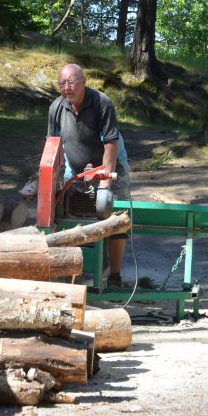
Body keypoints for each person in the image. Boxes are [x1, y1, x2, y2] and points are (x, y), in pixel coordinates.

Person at [48, 63, 131, 288]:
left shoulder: (101, 103)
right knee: (69, 213)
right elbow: (52, 147)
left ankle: (114, 275)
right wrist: (51, 183)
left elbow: (111, 144)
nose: (67, 88)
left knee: (115, 217)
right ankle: (75, 271)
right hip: (75, 171)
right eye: (62, 83)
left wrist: (105, 182)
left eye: (71, 82)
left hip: (112, 166)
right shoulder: (56, 108)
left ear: (83, 81)